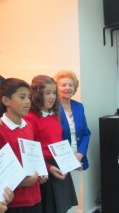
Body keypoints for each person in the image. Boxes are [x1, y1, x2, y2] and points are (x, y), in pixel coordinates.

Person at [24, 75, 78, 213]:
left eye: (54, 93)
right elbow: (30, 152)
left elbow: (57, 141)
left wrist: (70, 161)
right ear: (36, 94)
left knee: (62, 208)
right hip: (45, 169)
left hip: (60, 164)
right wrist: (47, 167)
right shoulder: (30, 117)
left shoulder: (53, 114)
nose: (52, 97)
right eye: (47, 93)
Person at [0, 78, 48, 213]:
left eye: (28, 97)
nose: (28, 102)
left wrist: (40, 172)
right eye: (22, 97)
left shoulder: (28, 125)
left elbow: (32, 156)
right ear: (5, 100)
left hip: (34, 197)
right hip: (13, 202)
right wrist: (23, 182)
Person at [53, 70, 91, 213]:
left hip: (78, 159)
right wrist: (69, 159)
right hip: (60, 161)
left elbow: (86, 133)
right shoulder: (52, 109)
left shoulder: (78, 106)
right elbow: (53, 137)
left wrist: (80, 153)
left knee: (75, 196)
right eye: (63, 85)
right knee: (62, 200)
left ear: (75, 88)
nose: (67, 88)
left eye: (71, 85)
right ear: (56, 87)